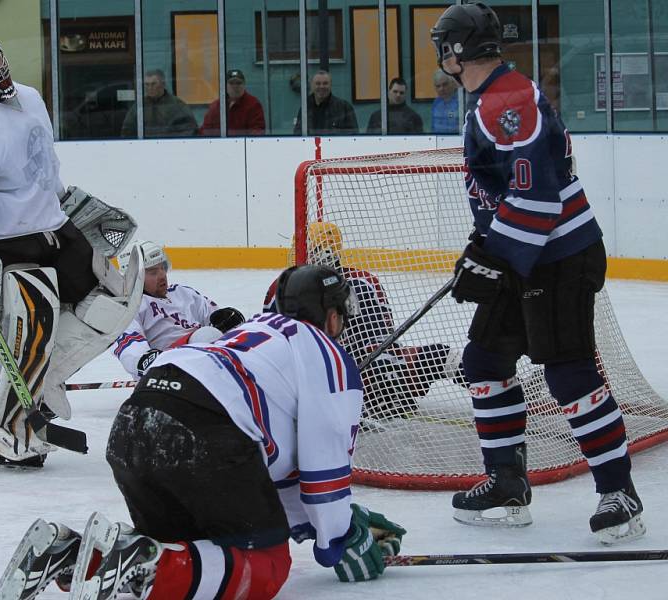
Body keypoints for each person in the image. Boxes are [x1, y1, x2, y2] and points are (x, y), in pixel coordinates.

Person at [0, 264, 406, 600]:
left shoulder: (250, 333)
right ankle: (141, 565)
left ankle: (70, 554)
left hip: (135, 423)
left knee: (195, 550)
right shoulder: (327, 354)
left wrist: (327, 524)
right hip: (204, 432)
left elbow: (270, 480)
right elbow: (323, 471)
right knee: (266, 564)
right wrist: (340, 538)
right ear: (333, 316)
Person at [430, 2, 645, 544]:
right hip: (525, 251)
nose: (438, 55)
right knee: (484, 362)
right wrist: (485, 247)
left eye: (442, 45)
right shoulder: (490, 98)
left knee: (568, 374)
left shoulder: (506, 100)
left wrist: (495, 255)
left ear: (456, 51)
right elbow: (506, 195)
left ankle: (619, 494)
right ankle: (507, 483)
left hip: (561, 255)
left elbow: (537, 198)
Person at [0, 35, 141, 469]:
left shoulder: (28, 96)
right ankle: (3, 428)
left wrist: (67, 201)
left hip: (55, 226)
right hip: (9, 241)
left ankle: (43, 381)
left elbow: (45, 160)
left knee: (109, 299)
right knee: (27, 329)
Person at [263, 221, 463, 419]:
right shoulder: (280, 288)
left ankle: (489, 390)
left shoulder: (362, 283)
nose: (297, 253)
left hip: (362, 371)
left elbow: (379, 339)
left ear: (322, 253)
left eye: (305, 248)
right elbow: (274, 349)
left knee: (439, 356)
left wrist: (385, 373)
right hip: (314, 380)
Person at [112, 241, 246, 378]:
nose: (162, 275)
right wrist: (145, 361)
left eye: (163, 267)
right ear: (134, 277)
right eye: (153, 272)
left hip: (200, 356)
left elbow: (212, 316)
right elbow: (128, 341)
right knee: (206, 335)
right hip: (167, 369)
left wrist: (226, 322)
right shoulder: (129, 306)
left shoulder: (182, 293)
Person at [120, 69, 198, 138]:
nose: (150, 88)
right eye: (147, 84)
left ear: (163, 84)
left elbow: (190, 130)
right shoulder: (139, 105)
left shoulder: (177, 105)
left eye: (153, 84)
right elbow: (127, 130)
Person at [199, 68, 266, 136]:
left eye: (238, 83)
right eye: (231, 83)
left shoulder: (253, 105)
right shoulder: (216, 106)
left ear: (244, 85)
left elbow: (257, 131)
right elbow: (205, 131)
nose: (235, 86)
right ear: (225, 85)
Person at [293, 70, 358, 136]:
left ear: (331, 85)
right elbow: (298, 133)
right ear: (312, 85)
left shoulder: (344, 108)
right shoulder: (305, 107)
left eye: (325, 83)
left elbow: (353, 136)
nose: (321, 86)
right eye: (318, 83)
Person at [431, 69, 460, 133]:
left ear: (453, 83)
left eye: (445, 84)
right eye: (438, 86)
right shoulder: (436, 104)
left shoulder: (461, 101)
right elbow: (433, 129)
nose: (441, 89)